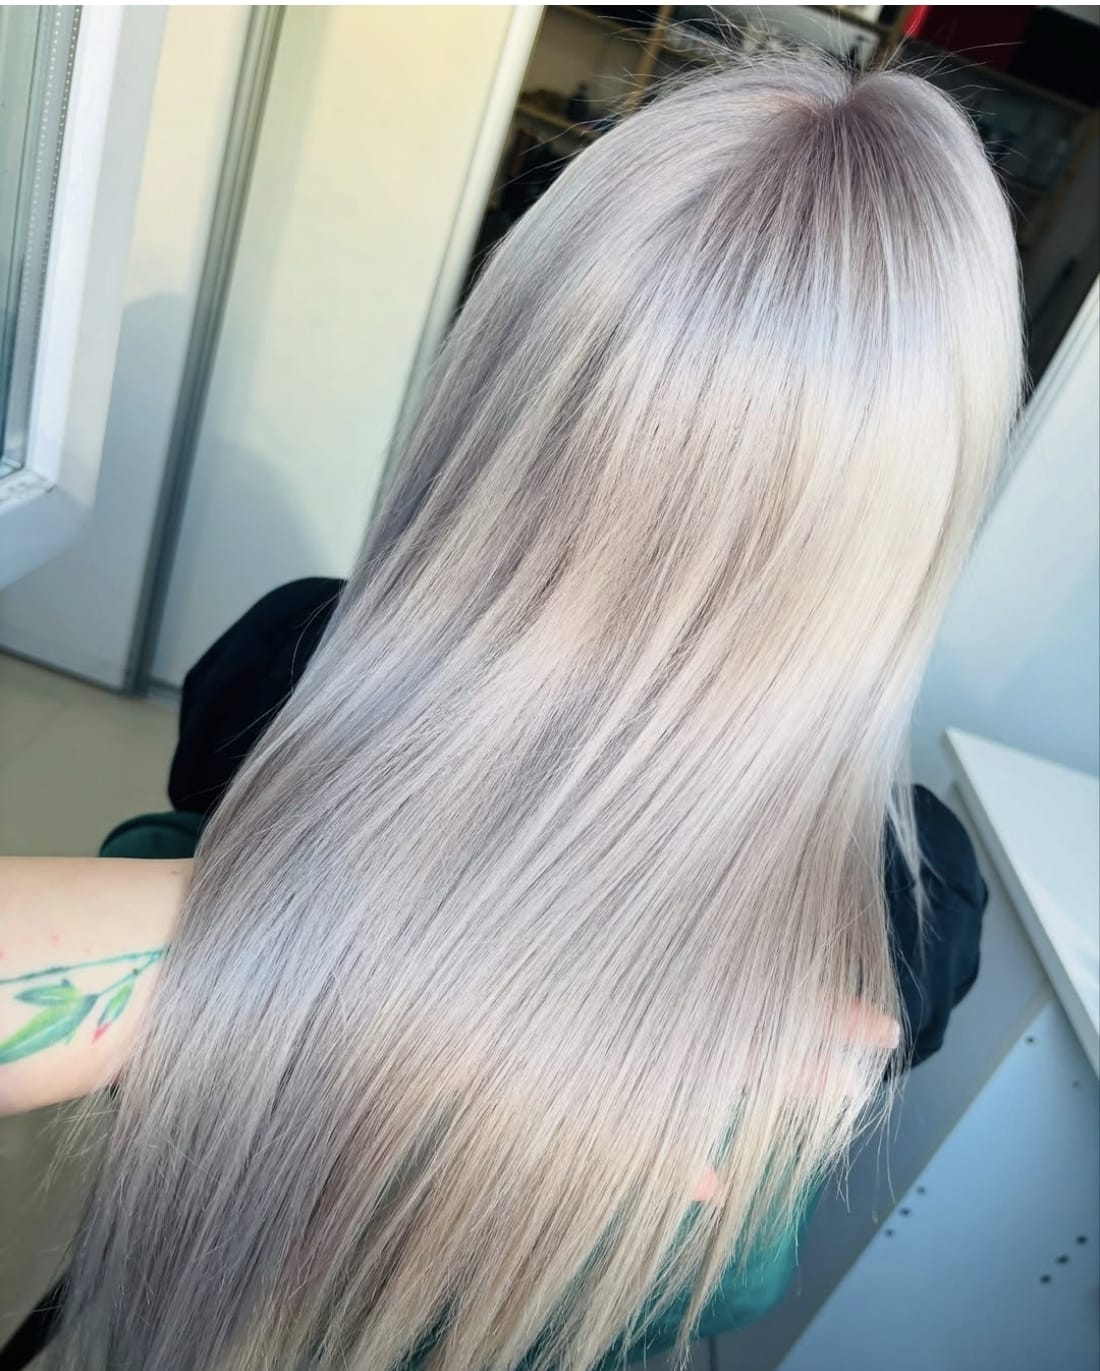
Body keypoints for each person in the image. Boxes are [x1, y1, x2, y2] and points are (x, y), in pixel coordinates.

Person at [0, 54, 1020, 1371]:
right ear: (910, 524)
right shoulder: (910, 904)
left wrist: (297, 953)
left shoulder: (289, 668)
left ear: (503, 391)